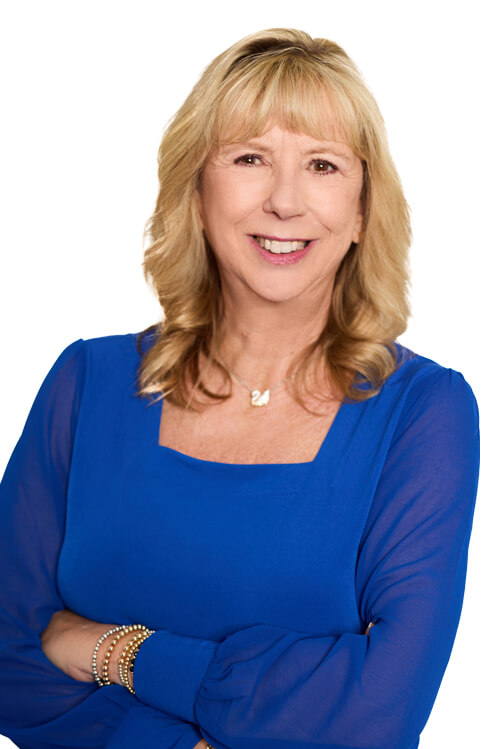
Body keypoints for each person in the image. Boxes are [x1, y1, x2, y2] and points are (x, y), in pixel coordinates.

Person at [0, 28, 479, 749]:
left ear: (361, 211)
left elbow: (379, 712)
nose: (284, 201)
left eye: (322, 164)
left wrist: (118, 651)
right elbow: (7, 655)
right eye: (250, 158)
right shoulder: (86, 382)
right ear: (196, 190)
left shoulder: (423, 412)